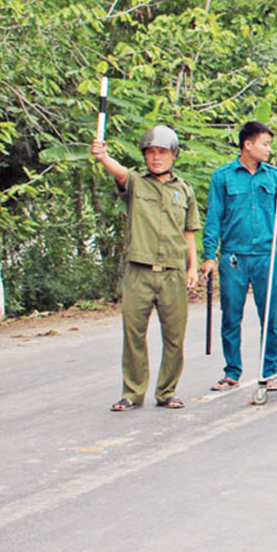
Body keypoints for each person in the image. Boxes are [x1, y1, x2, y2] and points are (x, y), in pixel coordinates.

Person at [91, 125, 200, 411]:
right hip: (139, 270)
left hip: (173, 272)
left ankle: (167, 392)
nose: (156, 158)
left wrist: (193, 267)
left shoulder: (184, 191)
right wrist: (102, 157)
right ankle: (132, 392)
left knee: (174, 337)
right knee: (134, 333)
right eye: (151, 152)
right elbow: (119, 172)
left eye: (162, 152)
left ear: (173, 155)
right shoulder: (137, 183)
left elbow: (190, 231)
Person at [200, 121, 277, 392]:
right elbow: (213, 217)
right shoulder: (223, 177)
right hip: (234, 257)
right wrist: (209, 255)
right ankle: (232, 372)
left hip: (266, 254)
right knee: (231, 315)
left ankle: (269, 371)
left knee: (270, 316)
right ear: (247, 145)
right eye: (264, 144)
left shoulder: (275, 177)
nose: (268, 150)